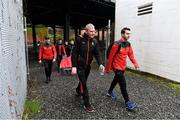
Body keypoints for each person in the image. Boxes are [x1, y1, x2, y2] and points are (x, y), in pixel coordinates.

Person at [71, 23, 105, 112]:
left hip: (87, 66)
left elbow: (97, 54)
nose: (93, 33)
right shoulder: (79, 39)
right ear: (86, 31)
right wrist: (74, 66)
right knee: (84, 84)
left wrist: (100, 64)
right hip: (79, 66)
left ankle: (78, 90)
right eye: (91, 31)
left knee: (83, 81)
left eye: (94, 31)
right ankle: (87, 105)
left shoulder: (95, 41)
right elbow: (74, 53)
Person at [106, 27, 139, 110]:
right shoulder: (116, 44)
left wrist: (135, 63)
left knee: (116, 80)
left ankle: (109, 92)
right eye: (127, 34)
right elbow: (110, 57)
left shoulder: (128, 44)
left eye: (129, 34)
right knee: (123, 84)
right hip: (116, 67)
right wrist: (108, 68)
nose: (129, 35)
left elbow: (131, 55)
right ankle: (128, 102)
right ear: (122, 34)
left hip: (123, 66)